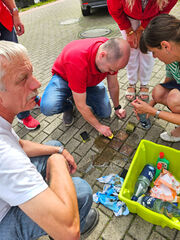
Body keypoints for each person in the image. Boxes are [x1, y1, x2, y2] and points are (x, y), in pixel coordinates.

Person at [0, 40, 99, 240]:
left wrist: (58, 152)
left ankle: (48, 203)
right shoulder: (5, 156)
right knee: (80, 190)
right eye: (22, 79)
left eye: (32, 74)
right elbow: (70, 233)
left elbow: (19, 144)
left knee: (54, 146)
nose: (37, 84)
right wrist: (56, 162)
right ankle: (63, 215)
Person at [40, 37, 130, 137]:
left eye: (115, 70)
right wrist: (99, 127)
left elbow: (113, 85)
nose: (112, 73)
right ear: (102, 55)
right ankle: (69, 104)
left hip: (86, 81)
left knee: (105, 112)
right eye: (110, 69)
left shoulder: (112, 50)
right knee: (48, 107)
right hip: (64, 78)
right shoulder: (77, 62)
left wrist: (117, 107)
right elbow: (81, 106)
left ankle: (79, 93)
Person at [107, 0, 177, 101]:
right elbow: (115, 10)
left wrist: (142, 28)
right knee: (131, 50)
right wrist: (129, 31)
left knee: (148, 51)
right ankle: (132, 82)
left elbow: (163, 11)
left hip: (153, 17)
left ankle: (144, 83)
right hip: (128, 18)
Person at [131, 14, 180, 142]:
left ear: (165, 46)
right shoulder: (173, 57)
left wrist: (154, 112)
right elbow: (169, 80)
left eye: (153, 52)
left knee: (175, 98)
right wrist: (148, 106)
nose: (153, 57)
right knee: (158, 92)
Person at [0, 0, 41, 130]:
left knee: (19, 62)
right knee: (7, 76)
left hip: (3, 20)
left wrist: (15, 12)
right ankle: (23, 114)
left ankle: (32, 97)